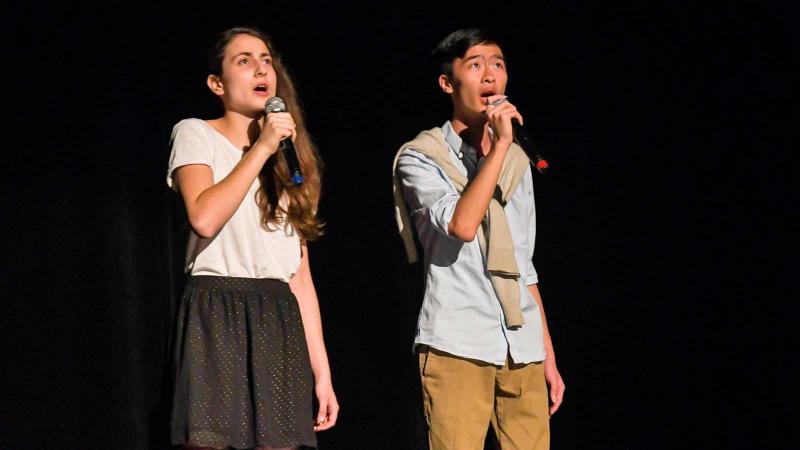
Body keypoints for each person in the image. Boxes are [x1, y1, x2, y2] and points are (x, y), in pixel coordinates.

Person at [392, 28, 565, 449]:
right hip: (458, 342)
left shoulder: (516, 160)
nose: (490, 75)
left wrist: (547, 353)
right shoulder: (422, 156)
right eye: (475, 65)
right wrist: (499, 148)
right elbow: (462, 225)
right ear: (447, 83)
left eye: (498, 64)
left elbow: (523, 264)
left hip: (521, 344)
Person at [166, 26, 338, 449]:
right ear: (217, 83)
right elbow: (204, 217)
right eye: (244, 61)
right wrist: (260, 148)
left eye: (265, 60)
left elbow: (299, 277)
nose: (261, 68)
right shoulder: (195, 132)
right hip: (217, 306)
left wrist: (323, 371)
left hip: (277, 315)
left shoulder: (293, 160)